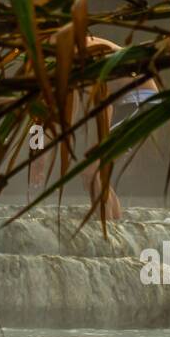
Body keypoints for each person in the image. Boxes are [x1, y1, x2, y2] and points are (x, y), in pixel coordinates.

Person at [27, 36, 161, 219]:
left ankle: (109, 236)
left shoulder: (78, 52)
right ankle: (114, 230)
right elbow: (44, 114)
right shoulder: (64, 55)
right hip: (126, 102)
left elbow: (73, 112)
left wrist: (42, 152)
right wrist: (36, 153)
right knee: (94, 173)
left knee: (91, 173)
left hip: (142, 102)